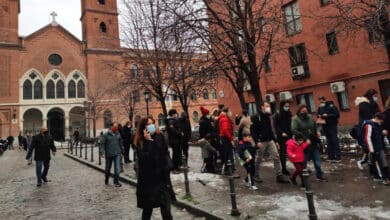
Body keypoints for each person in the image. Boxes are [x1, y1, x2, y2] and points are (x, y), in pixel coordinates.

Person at [134, 117, 176, 220]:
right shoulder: (140, 141)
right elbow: (145, 159)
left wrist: (168, 166)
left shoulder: (159, 136)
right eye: (149, 124)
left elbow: (164, 152)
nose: (151, 126)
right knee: (148, 209)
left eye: (153, 123)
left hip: (162, 178)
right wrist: (149, 141)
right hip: (149, 181)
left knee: (166, 209)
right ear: (144, 127)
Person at [251, 102, 288, 183]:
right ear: (262, 107)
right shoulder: (256, 117)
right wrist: (257, 141)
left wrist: (275, 141)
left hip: (270, 140)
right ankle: (255, 174)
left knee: (276, 156)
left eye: (269, 106)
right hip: (261, 141)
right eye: (267, 106)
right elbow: (253, 130)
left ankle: (279, 175)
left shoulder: (268, 117)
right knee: (259, 159)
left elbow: (270, 130)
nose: (268, 108)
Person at [291, 104, 327, 182]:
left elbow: (315, 125)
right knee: (304, 163)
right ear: (299, 111)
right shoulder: (296, 119)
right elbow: (294, 130)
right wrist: (304, 139)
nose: (305, 112)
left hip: (313, 142)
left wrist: (317, 131)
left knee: (317, 161)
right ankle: (303, 179)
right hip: (303, 144)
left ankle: (319, 175)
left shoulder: (310, 117)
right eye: (303, 111)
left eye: (306, 111)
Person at [355, 89, 381, 170]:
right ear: (370, 96)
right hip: (366, 128)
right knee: (369, 148)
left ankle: (370, 165)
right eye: (374, 96)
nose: (376, 98)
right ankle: (366, 163)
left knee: (371, 148)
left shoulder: (370, 103)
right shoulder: (364, 104)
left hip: (372, 127)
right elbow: (368, 116)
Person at [362, 113, 389, 185]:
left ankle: (385, 176)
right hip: (373, 148)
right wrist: (371, 149)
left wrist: (382, 132)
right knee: (377, 163)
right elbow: (367, 138)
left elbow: (378, 133)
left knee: (383, 162)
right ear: (376, 118)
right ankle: (381, 177)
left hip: (379, 146)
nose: (381, 123)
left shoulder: (377, 125)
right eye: (380, 121)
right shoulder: (369, 125)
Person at [99, 122, 123, 187]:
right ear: (111, 127)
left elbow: (121, 143)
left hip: (117, 153)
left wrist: (122, 152)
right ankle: (106, 179)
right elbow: (102, 144)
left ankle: (116, 182)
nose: (116, 128)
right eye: (115, 127)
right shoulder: (105, 135)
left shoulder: (118, 134)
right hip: (109, 154)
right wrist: (102, 152)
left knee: (117, 169)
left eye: (117, 127)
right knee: (107, 169)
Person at [317, 97, 341, 162]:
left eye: (322, 101)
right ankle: (331, 157)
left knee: (334, 140)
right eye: (320, 102)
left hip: (332, 125)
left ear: (325, 100)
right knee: (329, 141)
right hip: (325, 126)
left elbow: (337, 115)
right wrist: (319, 115)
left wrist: (327, 115)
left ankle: (338, 157)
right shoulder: (320, 107)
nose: (321, 103)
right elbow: (318, 114)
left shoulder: (331, 106)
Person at [273, 100, 293, 175]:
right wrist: (282, 133)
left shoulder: (289, 113)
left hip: (289, 135)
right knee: (283, 152)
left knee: (292, 150)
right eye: (286, 106)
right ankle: (283, 168)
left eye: (288, 106)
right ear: (282, 106)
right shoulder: (277, 114)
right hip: (281, 137)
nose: (287, 108)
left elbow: (290, 123)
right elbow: (276, 126)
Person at [219, 106, 236, 176]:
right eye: (230, 111)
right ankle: (230, 171)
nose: (231, 112)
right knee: (229, 155)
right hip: (226, 138)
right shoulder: (225, 119)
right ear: (226, 112)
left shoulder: (224, 118)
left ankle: (228, 170)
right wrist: (231, 139)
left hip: (225, 138)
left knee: (227, 154)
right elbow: (226, 130)